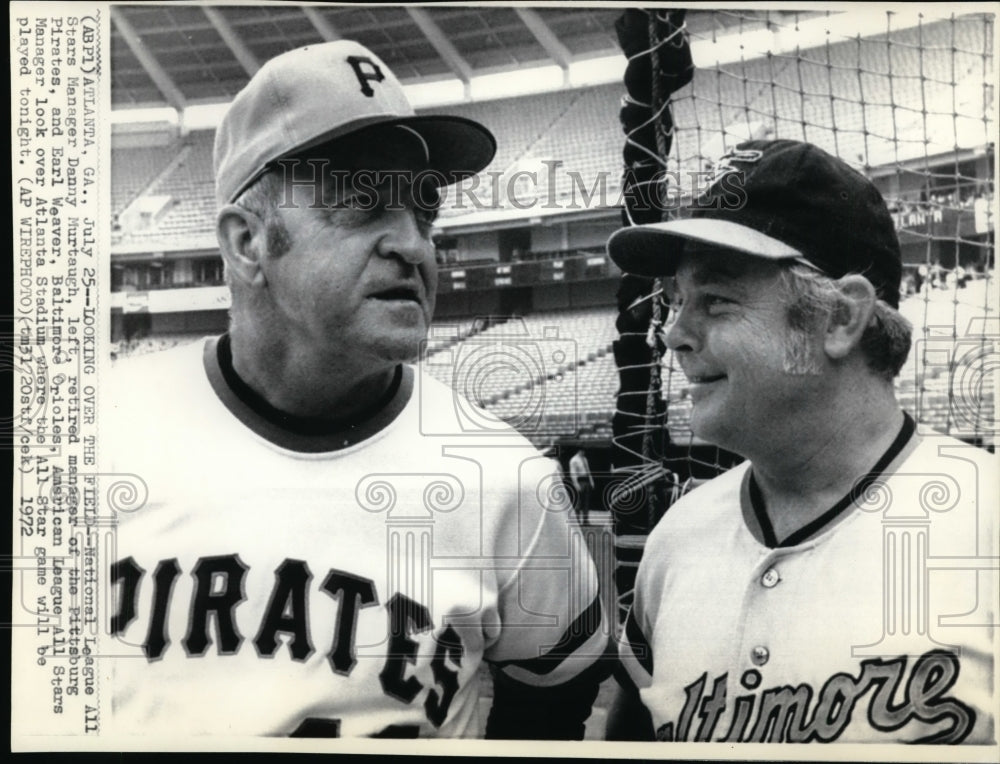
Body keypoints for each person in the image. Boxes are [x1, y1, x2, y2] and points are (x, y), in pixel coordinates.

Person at [103, 40, 609, 740]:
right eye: (364, 204)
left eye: (423, 212)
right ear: (248, 243)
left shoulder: (507, 479)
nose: (415, 246)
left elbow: (559, 688)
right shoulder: (95, 434)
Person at [605, 140, 996, 744]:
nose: (672, 334)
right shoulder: (677, 537)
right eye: (675, 302)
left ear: (840, 319)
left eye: (715, 300)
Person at [568, 448, 596, 524]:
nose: (584, 452)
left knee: (586, 502)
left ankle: (585, 520)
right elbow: (573, 473)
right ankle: (577, 520)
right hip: (579, 481)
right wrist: (576, 484)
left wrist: (591, 481)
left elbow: (588, 470)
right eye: (582, 451)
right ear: (579, 451)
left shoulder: (584, 459)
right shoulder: (574, 460)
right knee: (578, 502)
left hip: (586, 480)